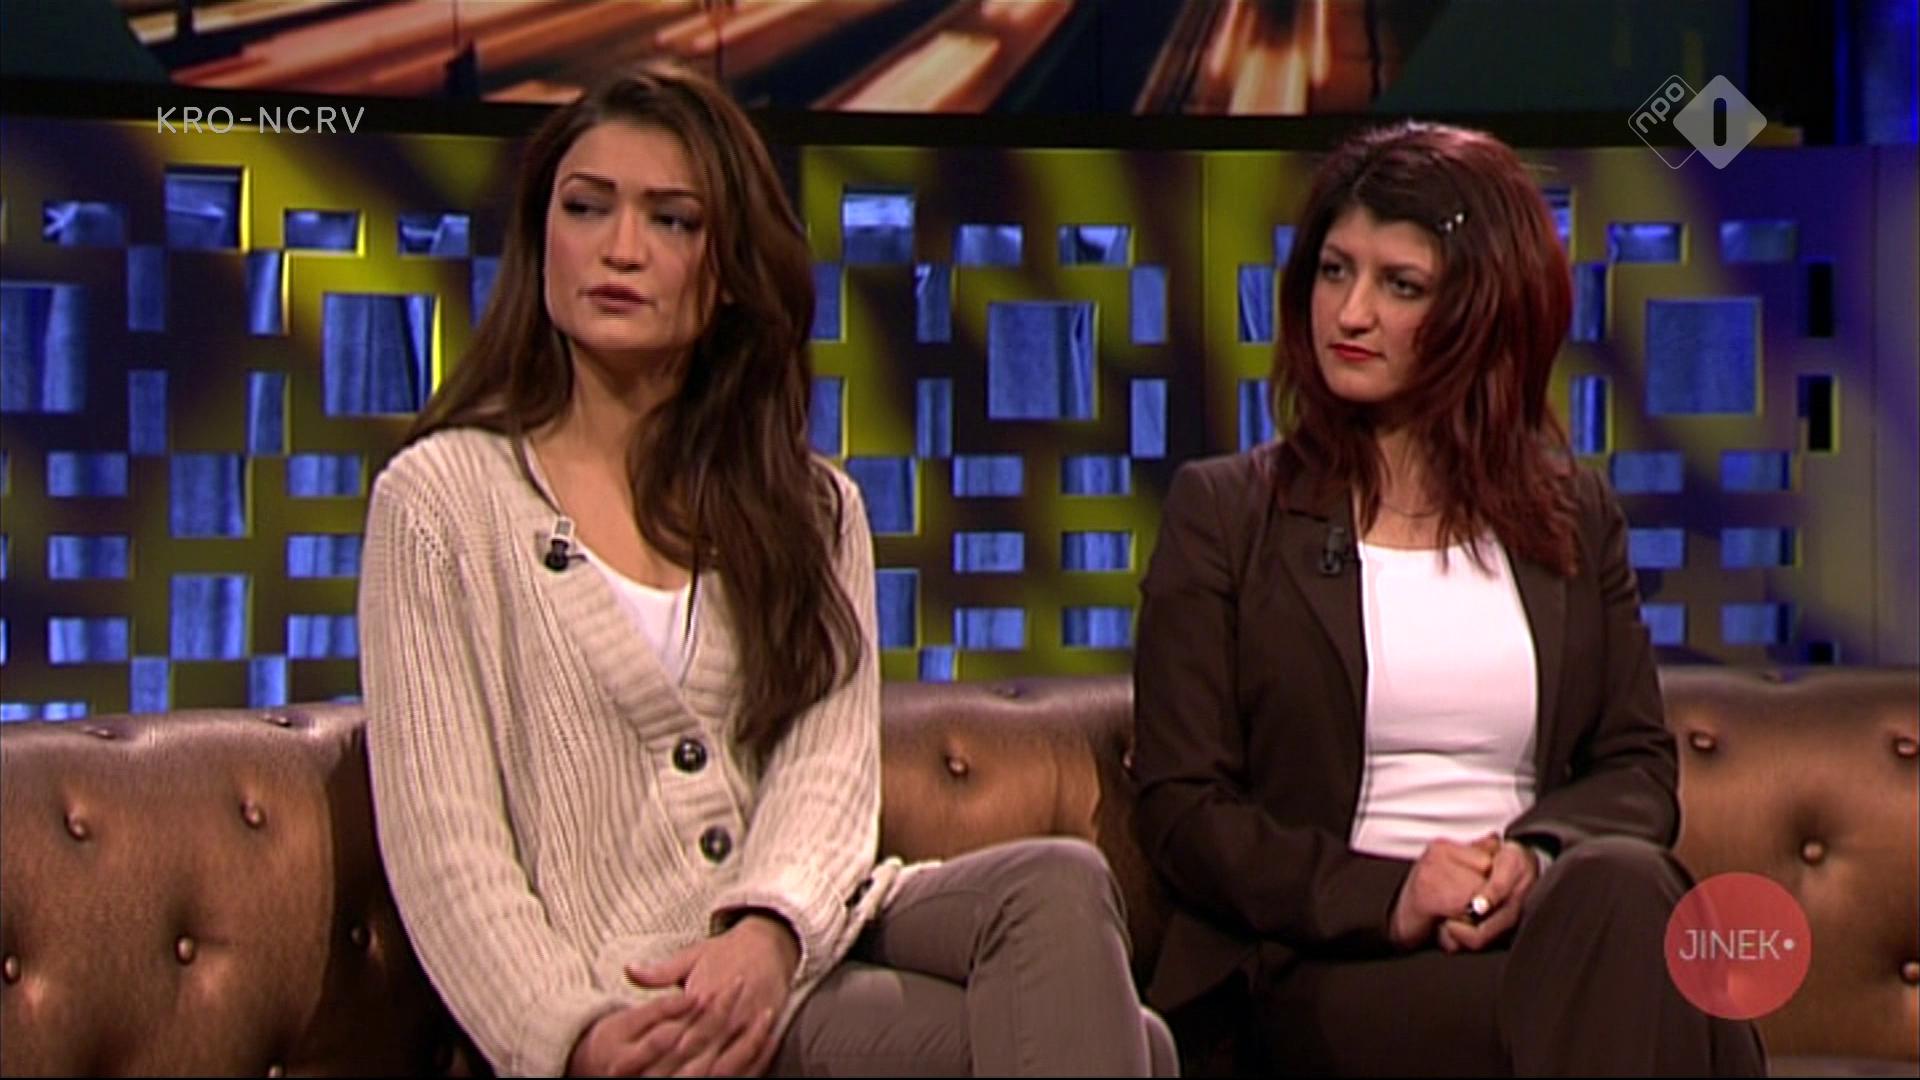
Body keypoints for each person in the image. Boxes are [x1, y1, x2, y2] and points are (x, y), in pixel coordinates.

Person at [359, 62, 1176, 1078]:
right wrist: (572, 1036)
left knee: (1057, 882)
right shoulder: (441, 500)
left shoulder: (810, 505)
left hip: (805, 938)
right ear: (540, 238)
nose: (620, 248)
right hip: (630, 989)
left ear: (731, 268)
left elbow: (827, 767)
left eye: (671, 220)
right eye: (587, 207)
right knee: (1131, 1043)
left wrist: (770, 933)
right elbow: (446, 844)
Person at [1130, 121, 1767, 1076]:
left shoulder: (1572, 515)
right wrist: (1394, 895)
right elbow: (1184, 810)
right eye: (1334, 272)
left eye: (1401, 285)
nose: (1350, 313)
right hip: (1324, 961)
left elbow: (1635, 769)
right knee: (1666, 989)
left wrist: (1534, 861)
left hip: (1545, 931)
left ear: (1483, 311)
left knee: (1622, 888)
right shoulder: (1226, 513)